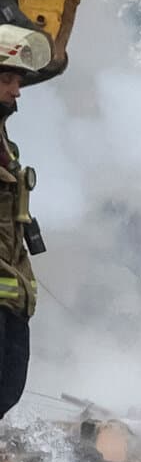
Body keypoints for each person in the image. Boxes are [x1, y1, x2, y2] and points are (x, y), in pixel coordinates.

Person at [0, 27, 45, 420]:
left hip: (11, 301)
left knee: (7, 390)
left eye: (18, 80)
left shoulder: (6, 147)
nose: (17, 90)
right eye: (7, 79)